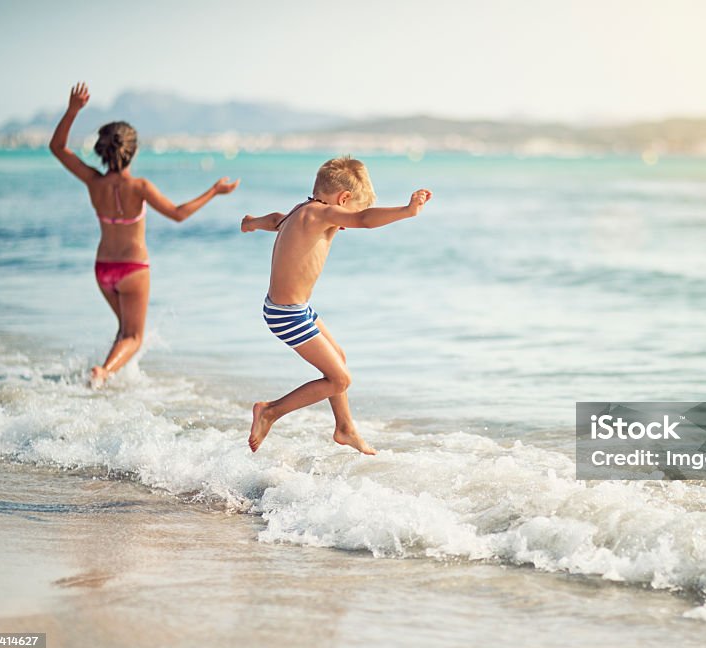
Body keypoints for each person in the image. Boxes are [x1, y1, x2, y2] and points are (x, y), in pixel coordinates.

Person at [49, 82, 239, 386]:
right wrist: (214, 191)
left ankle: (109, 386)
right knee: (134, 337)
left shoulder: (94, 182)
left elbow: (57, 148)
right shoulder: (139, 187)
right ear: (132, 151)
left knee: (124, 331)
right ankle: (103, 373)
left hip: (103, 270)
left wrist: (72, 111)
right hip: (133, 269)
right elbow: (178, 214)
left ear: (102, 149)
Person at [240, 156, 432, 454]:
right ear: (342, 200)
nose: (343, 223)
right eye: (348, 211)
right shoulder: (322, 214)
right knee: (340, 379)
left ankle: (344, 428)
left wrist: (251, 223)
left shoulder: (301, 210)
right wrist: (407, 211)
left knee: (338, 358)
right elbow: (364, 220)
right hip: (287, 315)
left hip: (294, 309)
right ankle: (270, 412)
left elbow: (275, 220)